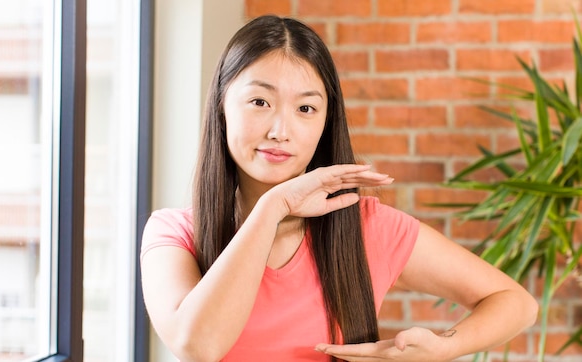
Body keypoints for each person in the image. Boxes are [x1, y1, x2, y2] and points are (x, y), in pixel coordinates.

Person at [140, 15, 538, 362]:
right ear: (222, 107)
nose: (280, 131)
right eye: (260, 102)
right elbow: (199, 347)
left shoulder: (368, 227)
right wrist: (273, 207)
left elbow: (516, 303)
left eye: (306, 109)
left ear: (325, 123)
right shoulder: (173, 234)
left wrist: (445, 346)